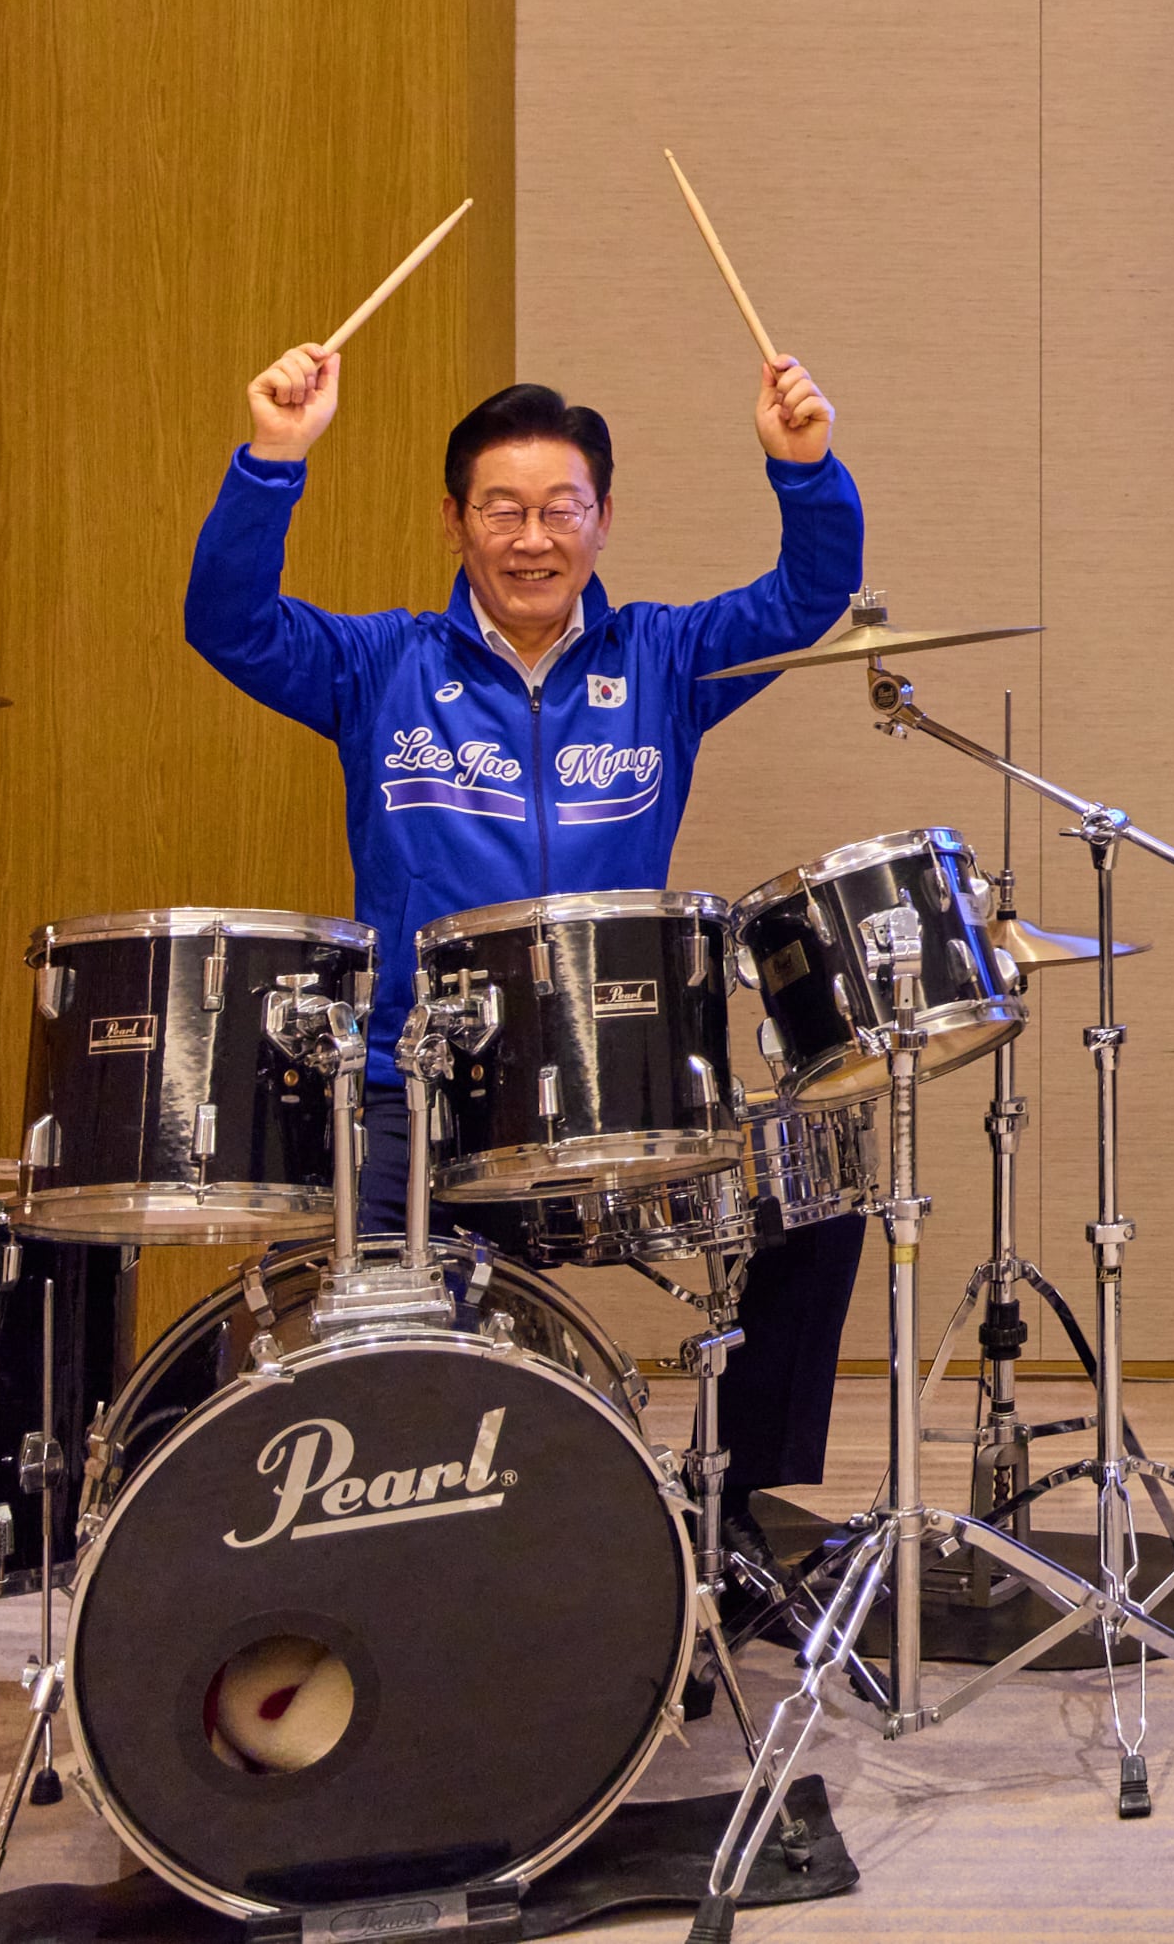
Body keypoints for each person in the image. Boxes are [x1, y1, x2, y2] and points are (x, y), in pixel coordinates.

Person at [184, 339, 870, 1522]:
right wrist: (271, 460)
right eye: (503, 508)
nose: (533, 537)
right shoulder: (380, 664)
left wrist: (804, 469)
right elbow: (228, 622)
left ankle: (734, 1513)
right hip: (416, 1090)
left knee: (816, 1199)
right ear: (455, 522)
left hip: (622, 1083)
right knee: (376, 1339)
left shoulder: (666, 659)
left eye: (562, 508)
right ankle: (419, 1526)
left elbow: (808, 597)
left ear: (602, 521)